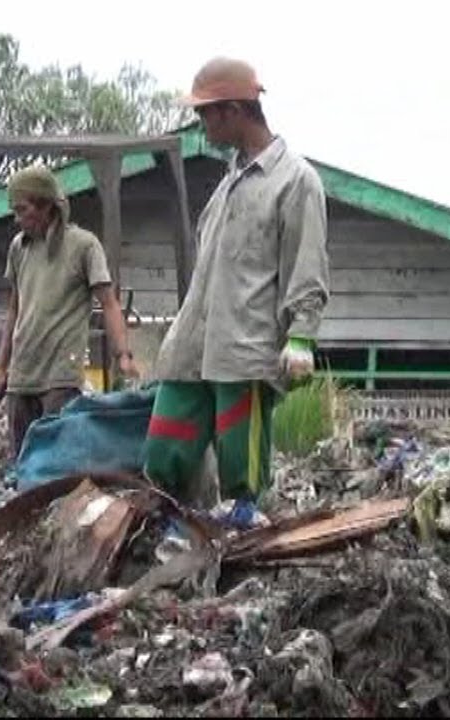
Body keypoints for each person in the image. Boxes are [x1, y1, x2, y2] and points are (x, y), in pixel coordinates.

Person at [142, 57, 330, 521]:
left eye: (206, 114)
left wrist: (301, 334)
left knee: (238, 457)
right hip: (193, 342)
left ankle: (243, 527)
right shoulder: (227, 184)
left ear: (233, 111)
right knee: (166, 443)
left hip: (244, 346)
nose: (201, 124)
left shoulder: (295, 181)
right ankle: (172, 524)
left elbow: (306, 262)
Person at [0, 164, 140, 459]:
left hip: (60, 374)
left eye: (23, 210)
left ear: (46, 205)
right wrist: (0, 367)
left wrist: (123, 355)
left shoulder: (83, 246)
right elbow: (14, 310)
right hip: (23, 372)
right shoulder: (19, 248)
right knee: (21, 461)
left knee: (54, 459)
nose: (17, 219)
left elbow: (109, 303)